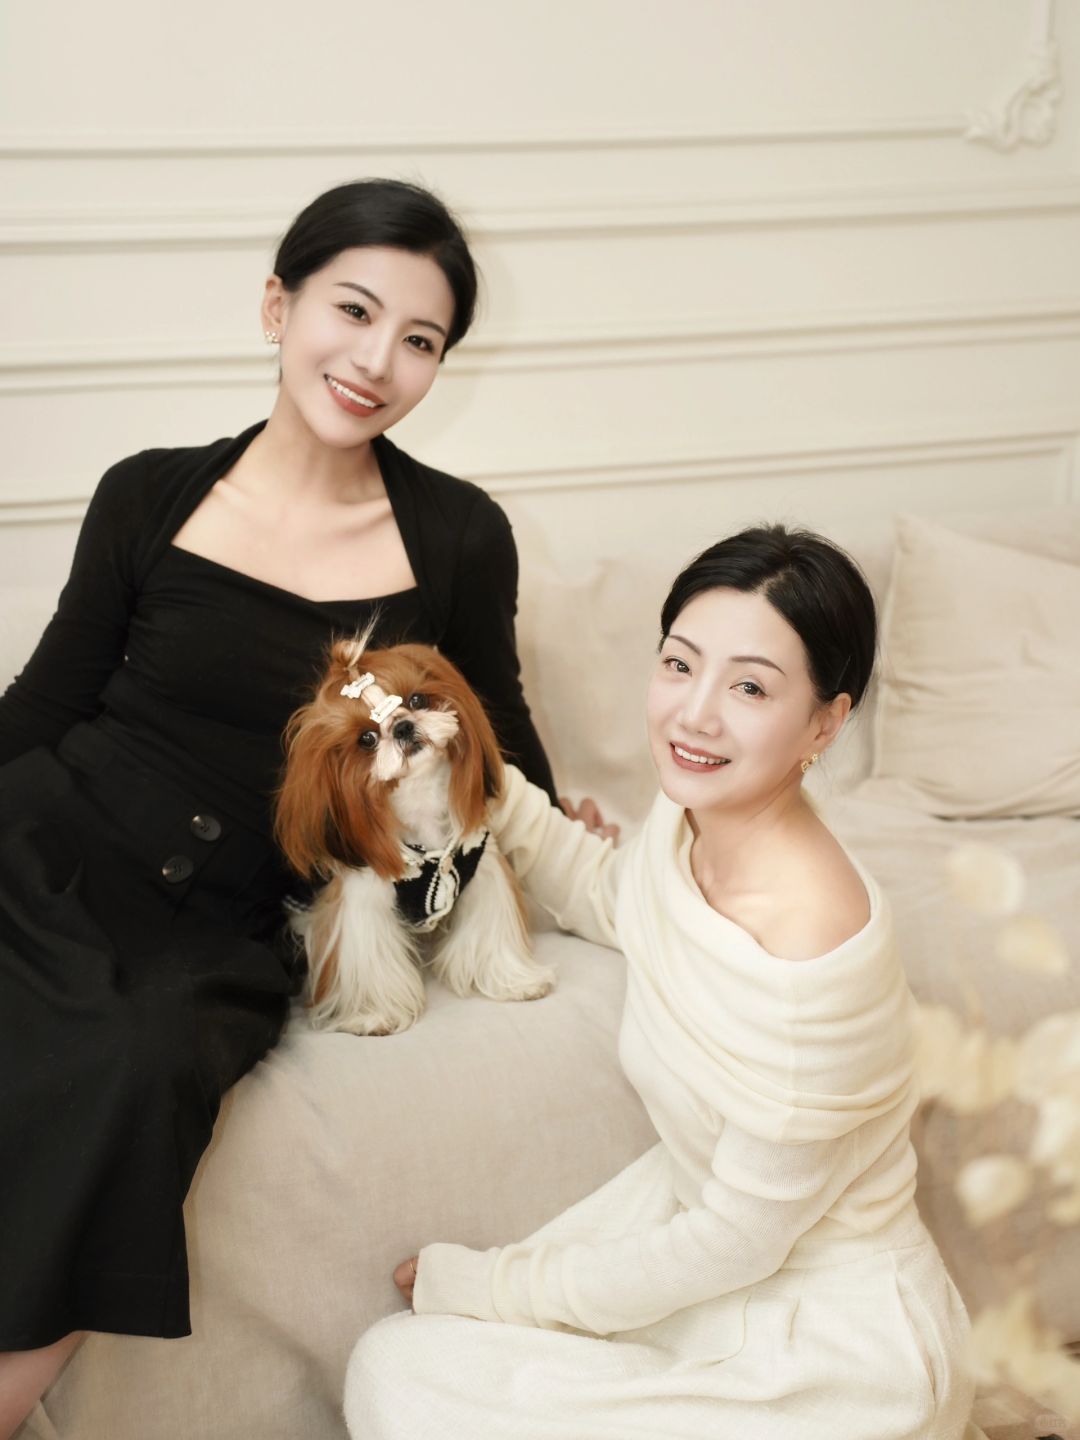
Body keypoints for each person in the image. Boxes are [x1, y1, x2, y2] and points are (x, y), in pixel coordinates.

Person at [0, 178, 574, 1437]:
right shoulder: (149, 493)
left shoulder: (459, 535)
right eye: (352, 311)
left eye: (419, 339)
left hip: (216, 916)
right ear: (278, 307)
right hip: (43, 831)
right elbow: (45, 703)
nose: (376, 361)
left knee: (133, 1061)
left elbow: (496, 740)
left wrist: (578, 840)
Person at [346, 524, 977, 1440]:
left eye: (750, 687)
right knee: (395, 1368)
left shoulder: (813, 948)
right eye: (680, 665)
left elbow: (733, 1242)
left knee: (414, 1379)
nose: (695, 715)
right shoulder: (687, 824)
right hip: (716, 1297)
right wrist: (474, 776)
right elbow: (615, 897)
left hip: (828, 1351)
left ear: (827, 722)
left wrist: (493, 1285)